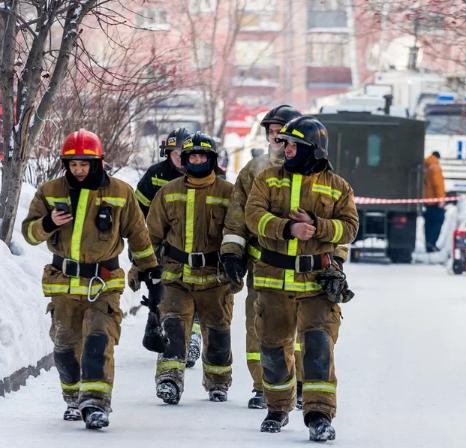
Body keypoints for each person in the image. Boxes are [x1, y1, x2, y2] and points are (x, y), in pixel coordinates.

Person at [22, 129, 160, 429]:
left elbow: (139, 235)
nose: (79, 170)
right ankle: (73, 397)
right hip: (63, 284)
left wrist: (151, 271)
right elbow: (29, 233)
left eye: (85, 164)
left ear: (98, 162)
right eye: (73, 165)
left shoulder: (120, 192)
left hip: (103, 285)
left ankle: (96, 404)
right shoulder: (50, 191)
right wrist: (48, 223)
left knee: (99, 340)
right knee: (65, 349)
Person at [220, 105, 351, 410]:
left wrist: (336, 261)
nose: (279, 139)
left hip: (313, 272)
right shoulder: (256, 172)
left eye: (285, 134)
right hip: (265, 267)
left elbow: (342, 224)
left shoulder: (329, 180)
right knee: (264, 331)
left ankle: (306, 387)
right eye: (273, 133)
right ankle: (264, 386)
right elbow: (240, 217)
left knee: (314, 337)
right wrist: (232, 253)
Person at [245, 116, 358, 441]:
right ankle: (278, 407)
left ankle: (319, 415)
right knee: (272, 350)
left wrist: (318, 225)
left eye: (294, 145)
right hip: (273, 283)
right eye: (285, 144)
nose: (287, 149)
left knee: (319, 347)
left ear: (313, 149)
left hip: (316, 284)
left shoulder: (337, 186)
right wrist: (286, 227)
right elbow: (254, 217)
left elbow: (350, 227)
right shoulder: (267, 179)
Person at [145, 131, 236, 404]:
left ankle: (218, 382)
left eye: (203, 156)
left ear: (212, 159)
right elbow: (150, 235)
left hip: (215, 277)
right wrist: (143, 268)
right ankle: (169, 380)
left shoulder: (228, 193)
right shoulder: (168, 192)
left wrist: (238, 267)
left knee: (218, 332)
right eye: (192, 155)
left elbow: (238, 232)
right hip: (176, 276)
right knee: (173, 327)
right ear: (185, 159)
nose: (197, 160)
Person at [131, 128, 203, 368]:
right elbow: (136, 211)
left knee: (194, 291)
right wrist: (139, 246)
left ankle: (192, 334)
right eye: (176, 153)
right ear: (169, 153)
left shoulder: (203, 175)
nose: (181, 158)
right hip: (159, 246)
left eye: (186, 153)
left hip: (192, 246)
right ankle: (160, 325)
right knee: (160, 290)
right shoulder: (155, 175)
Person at [423, 151, 446, 252]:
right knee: (437, 222)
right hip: (435, 202)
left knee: (429, 223)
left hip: (428, 201)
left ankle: (428, 243)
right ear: (438, 158)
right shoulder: (435, 167)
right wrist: (441, 199)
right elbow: (438, 185)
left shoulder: (426, 166)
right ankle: (432, 243)